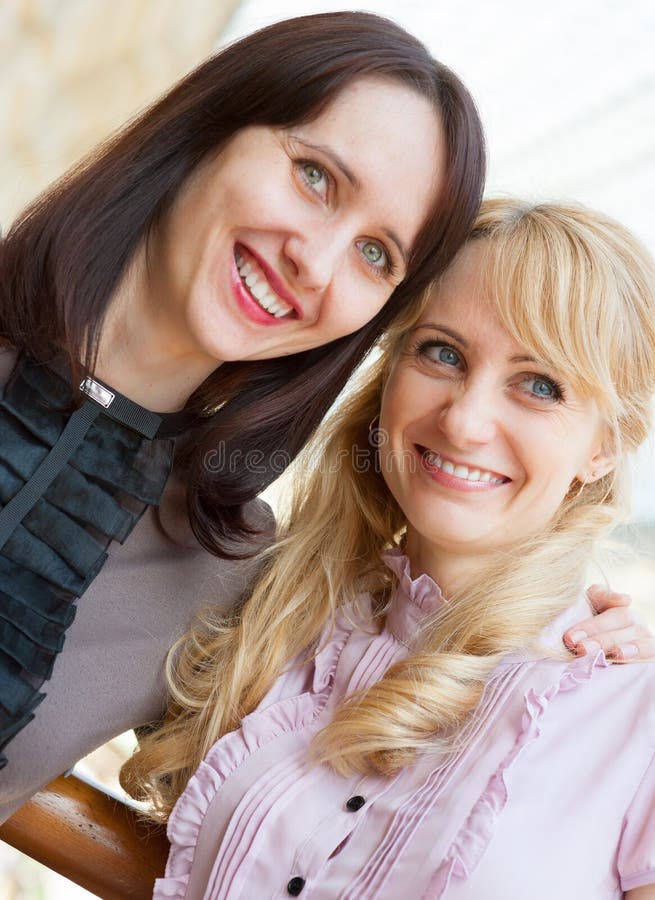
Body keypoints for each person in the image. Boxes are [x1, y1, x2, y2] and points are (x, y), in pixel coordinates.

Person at [0, 12, 641, 819]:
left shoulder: (220, 570)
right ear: (210, 127)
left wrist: (611, 683)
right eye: (314, 176)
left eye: (376, 253)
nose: (314, 260)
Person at [123, 199, 655, 899]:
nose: (464, 422)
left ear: (605, 445)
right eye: (442, 353)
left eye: (539, 385)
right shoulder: (266, 615)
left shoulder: (633, 715)